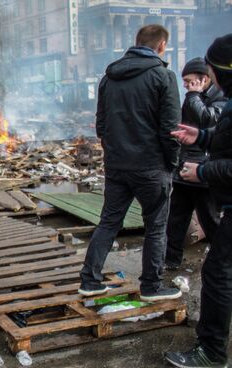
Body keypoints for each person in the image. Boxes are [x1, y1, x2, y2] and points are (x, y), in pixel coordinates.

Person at [78, 24, 183, 301]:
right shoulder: (163, 76)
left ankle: (89, 280)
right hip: (151, 167)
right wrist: (171, 164)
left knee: (109, 222)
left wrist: (114, 154)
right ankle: (151, 286)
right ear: (161, 46)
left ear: (136, 42)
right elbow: (170, 129)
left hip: (117, 166)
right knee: (157, 226)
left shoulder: (108, 78)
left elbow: (101, 125)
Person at [165, 33, 232, 368]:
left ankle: (212, 352)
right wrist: (200, 136)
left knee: (218, 273)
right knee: (179, 218)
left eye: (209, 72)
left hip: (213, 185)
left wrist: (204, 172)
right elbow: (220, 133)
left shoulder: (217, 99)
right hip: (206, 181)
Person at [165, 57, 227, 270]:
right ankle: (171, 261)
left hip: (205, 171)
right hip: (186, 167)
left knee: (210, 220)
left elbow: (207, 121)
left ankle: (223, 260)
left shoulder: (220, 98)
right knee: (176, 219)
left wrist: (193, 95)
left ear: (204, 79)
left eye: (189, 81)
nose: (186, 86)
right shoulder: (195, 96)